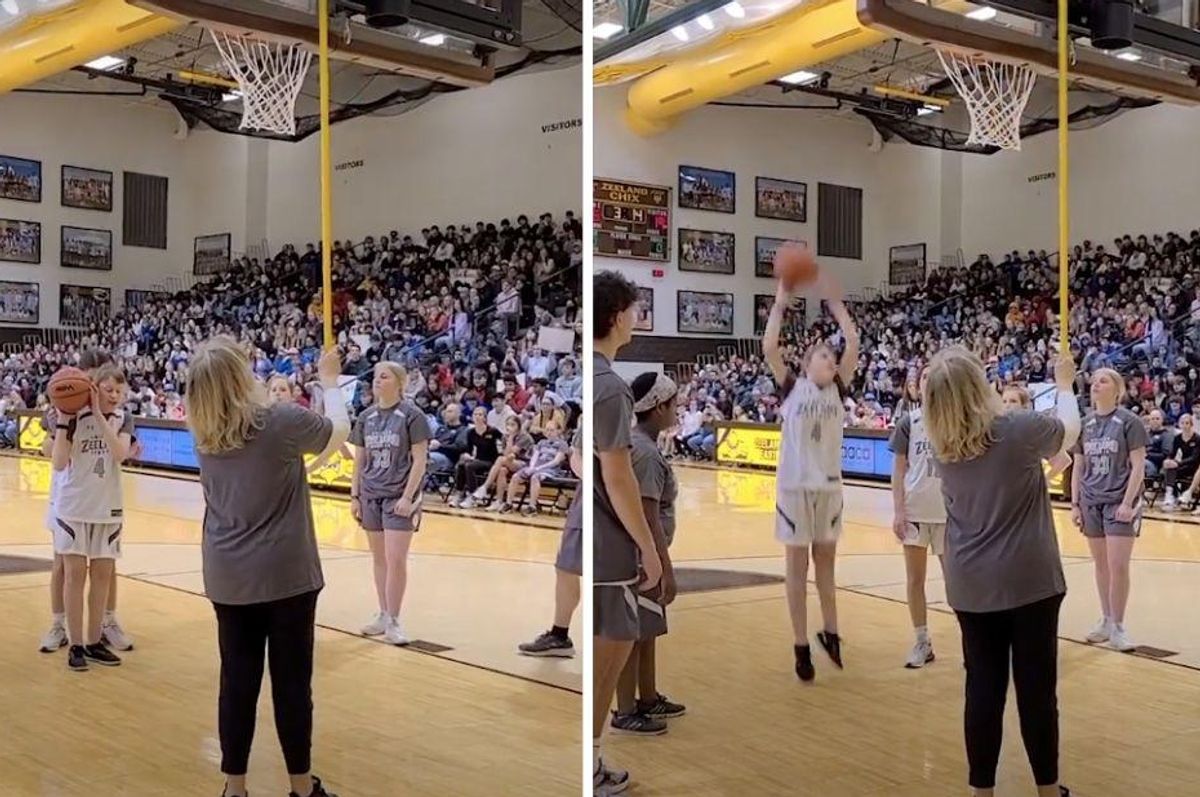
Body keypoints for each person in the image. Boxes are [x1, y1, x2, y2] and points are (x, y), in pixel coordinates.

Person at [187, 336, 346, 797]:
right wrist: (331, 382)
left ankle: (234, 789)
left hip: (227, 575)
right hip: (286, 574)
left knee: (236, 681)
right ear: (241, 377)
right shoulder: (279, 421)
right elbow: (339, 429)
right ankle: (300, 787)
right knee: (292, 683)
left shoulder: (203, 434)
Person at [924, 346, 1079, 797]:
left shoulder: (942, 449)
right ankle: (1048, 790)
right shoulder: (1017, 429)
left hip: (970, 583)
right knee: (1036, 691)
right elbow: (1068, 431)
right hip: (1029, 580)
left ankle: (981, 792)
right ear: (978, 387)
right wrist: (1065, 385)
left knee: (983, 690)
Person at [762, 267, 859, 682]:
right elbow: (769, 346)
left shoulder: (839, 388)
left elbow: (852, 340)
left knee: (827, 566)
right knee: (797, 568)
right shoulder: (791, 388)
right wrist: (782, 299)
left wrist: (836, 304)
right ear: (806, 364)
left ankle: (832, 632)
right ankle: (801, 643)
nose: (831, 359)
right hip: (795, 487)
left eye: (832, 358)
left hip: (829, 488)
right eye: (823, 355)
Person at [592, 271, 663, 796]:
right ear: (617, 315)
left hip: (587, 537)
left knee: (605, 653)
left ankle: (593, 760)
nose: (637, 318)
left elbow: (579, 460)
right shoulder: (611, 387)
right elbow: (619, 478)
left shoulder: (585, 376)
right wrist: (648, 547)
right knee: (609, 656)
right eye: (635, 309)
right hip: (611, 545)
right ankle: (591, 763)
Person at [38, 348, 135, 654]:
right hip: (66, 491)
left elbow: (123, 448)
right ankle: (59, 624)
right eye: (91, 379)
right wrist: (54, 445)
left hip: (101, 491)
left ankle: (105, 622)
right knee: (63, 566)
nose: (95, 387)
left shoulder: (119, 414)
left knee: (106, 566)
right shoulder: (63, 405)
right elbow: (47, 446)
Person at [611, 372, 683, 736]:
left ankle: (648, 696)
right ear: (658, 408)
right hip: (643, 558)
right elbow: (649, 516)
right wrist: (664, 568)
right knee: (634, 634)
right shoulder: (647, 454)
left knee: (648, 630)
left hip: (644, 555)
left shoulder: (642, 445)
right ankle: (625, 709)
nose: (678, 408)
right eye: (673, 402)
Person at [351, 361, 432, 646]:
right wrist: (355, 495)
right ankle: (383, 613)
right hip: (371, 493)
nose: (376, 381)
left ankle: (395, 620)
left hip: (399, 496)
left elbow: (420, 461)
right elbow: (359, 460)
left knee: (396, 559)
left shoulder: (412, 416)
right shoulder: (366, 417)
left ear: (399, 382)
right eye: (375, 377)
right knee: (379, 559)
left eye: (383, 377)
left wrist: (408, 497)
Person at [1072, 368, 1147, 652]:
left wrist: (1128, 503)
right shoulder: (1084, 423)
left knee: (1118, 565)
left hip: (1119, 501)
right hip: (1091, 499)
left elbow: (1138, 466)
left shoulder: (1130, 422)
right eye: (1093, 381)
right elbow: (1078, 465)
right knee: (1101, 565)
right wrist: (1075, 504)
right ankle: (1105, 620)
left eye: (1103, 381)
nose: (1095, 384)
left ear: (1117, 390)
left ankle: (1118, 626)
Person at [889, 365, 946, 670]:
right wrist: (898, 511)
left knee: (957, 582)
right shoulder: (908, 422)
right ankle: (922, 640)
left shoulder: (955, 421)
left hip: (948, 514)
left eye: (932, 376)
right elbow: (898, 472)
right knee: (915, 580)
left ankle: (972, 641)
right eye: (923, 377)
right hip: (915, 512)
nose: (926, 381)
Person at [518, 428, 583, 658]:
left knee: (601, 576)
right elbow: (577, 459)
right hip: (591, 503)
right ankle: (560, 634)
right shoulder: (597, 416)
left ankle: (609, 639)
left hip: (604, 504)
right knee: (567, 568)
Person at [503, 418, 569, 515]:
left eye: (552, 430)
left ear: (558, 431)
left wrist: (537, 469)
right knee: (515, 476)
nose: (549, 433)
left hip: (550, 469)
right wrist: (531, 467)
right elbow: (535, 456)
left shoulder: (562, 444)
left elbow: (556, 461)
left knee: (535, 477)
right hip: (535, 467)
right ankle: (508, 504)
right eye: (547, 430)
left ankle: (532, 507)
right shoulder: (541, 442)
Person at [447, 406, 502, 509]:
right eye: (475, 414)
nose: (477, 417)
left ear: (485, 418)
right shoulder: (471, 432)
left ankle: (472, 496)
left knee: (469, 466)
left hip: (491, 461)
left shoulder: (493, 431)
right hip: (477, 459)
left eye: (480, 414)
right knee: (462, 464)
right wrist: (467, 455)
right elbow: (469, 449)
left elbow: (503, 441)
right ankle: (459, 493)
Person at [1160, 413, 1198, 511]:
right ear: (1179, 425)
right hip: (1182, 465)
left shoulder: (1197, 439)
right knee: (1169, 467)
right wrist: (1168, 460)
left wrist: (1177, 463)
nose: (1185, 426)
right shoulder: (1178, 438)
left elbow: (1194, 458)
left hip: (1194, 466)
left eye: (1187, 423)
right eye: (1182, 423)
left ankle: (1177, 493)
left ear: (1191, 425)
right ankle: (1169, 494)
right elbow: (1172, 453)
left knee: (1174, 466)